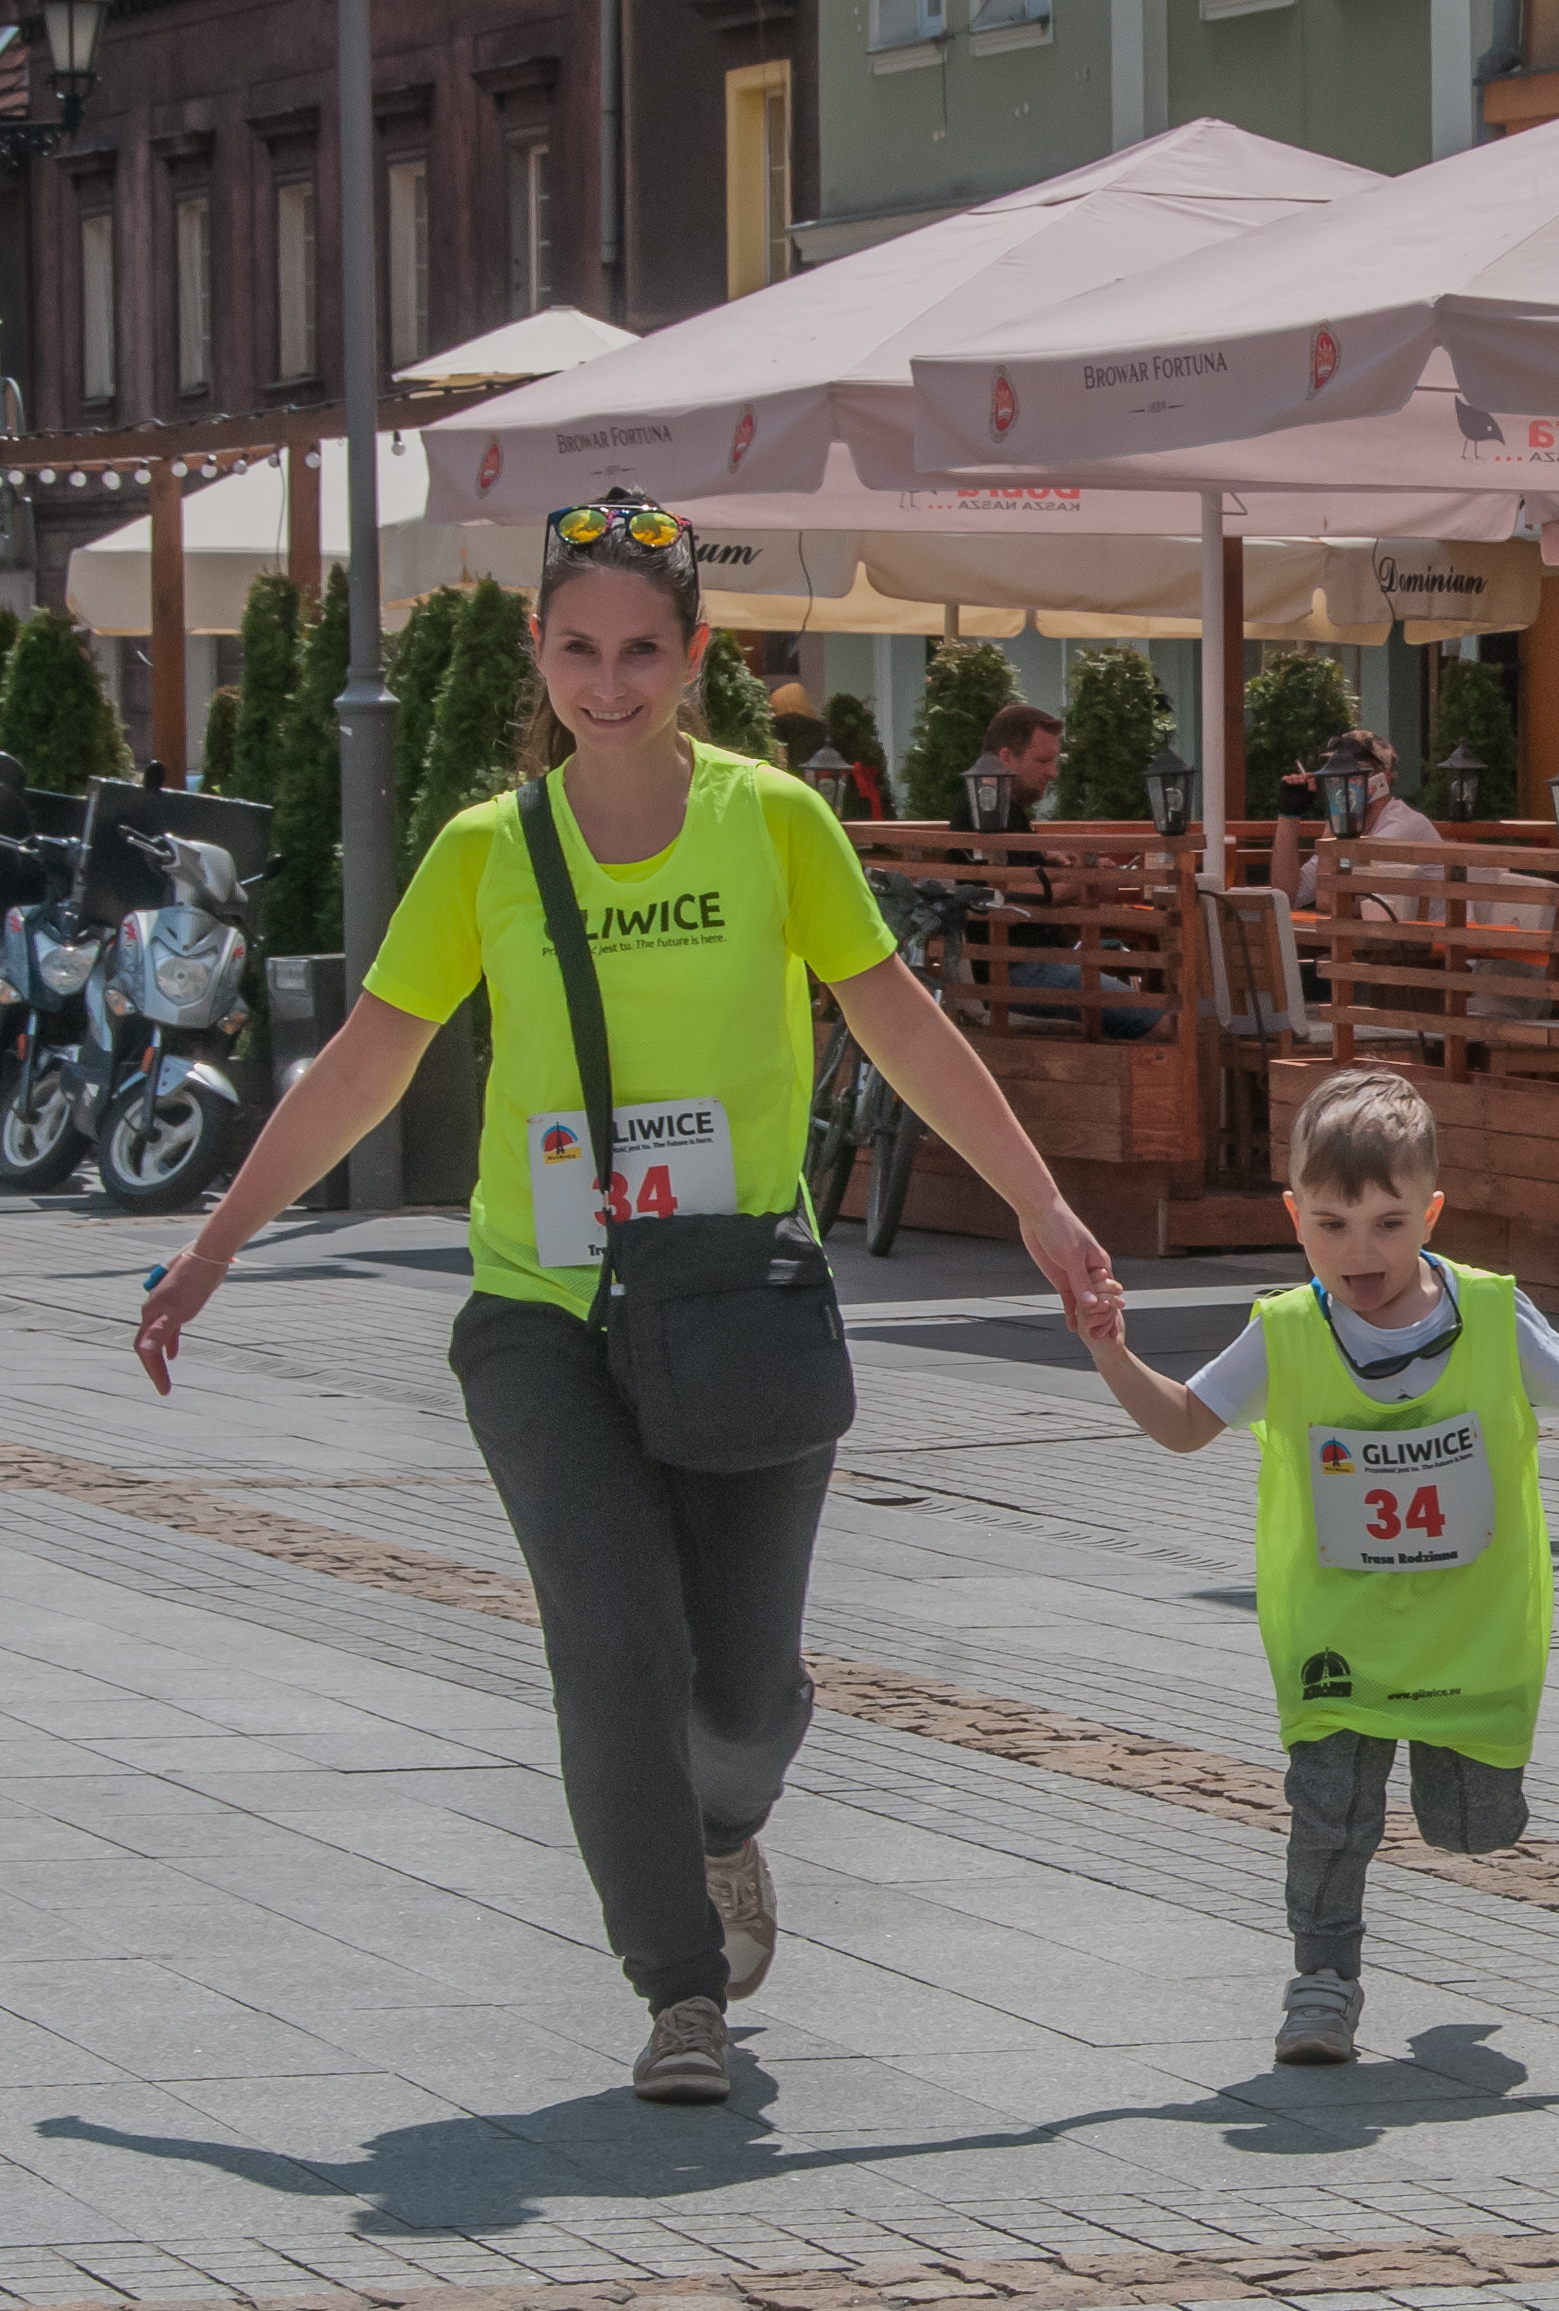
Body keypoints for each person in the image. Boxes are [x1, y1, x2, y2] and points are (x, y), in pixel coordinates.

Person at [130, 497, 1126, 2106]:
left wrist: (1039, 1201)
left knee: (740, 1694)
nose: (608, 680)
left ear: (694, 658)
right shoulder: (485, 854)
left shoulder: (773, 823)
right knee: (614, 1643)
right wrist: (221, 1237)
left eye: (640, 649)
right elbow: (371, 1060)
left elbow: (897, 1021)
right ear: (539, 649)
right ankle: (677, 1990)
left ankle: (725, 1820)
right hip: (543, 1311)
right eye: (578, 646)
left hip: (738, 1295)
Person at [1070, 1067, 1559, 2065]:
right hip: (1337, 1631)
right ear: (1294, 1219)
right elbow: (1184, 1423)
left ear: (1431, 1212)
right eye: (1331, 1223)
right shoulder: (1283, 1333)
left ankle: (1471, 1805)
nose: (1361, 1250)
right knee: (1329, 1811)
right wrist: (1109, 1351)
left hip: (1470, 1633)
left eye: (1389, 1224)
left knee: (1470, 1828)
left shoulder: (1488, 1314)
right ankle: (1321, 1984)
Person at [945, 700, 1161, 1039]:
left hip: (1035, 962)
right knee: (1163, 1021)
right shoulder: (986, 812)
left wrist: (1072, 869)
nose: (1053, 772)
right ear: (1006, 758)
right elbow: (1010, 894)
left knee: (1141, 994)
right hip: (1018, 970)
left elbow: (1024, 879)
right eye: (1043, 761)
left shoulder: (1001, 807)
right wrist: (1081, 882)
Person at [1270, 730, 1442, 918]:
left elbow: (1330, 901)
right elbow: (1285, 895)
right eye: (1334, 774)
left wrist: (1336, 815)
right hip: (1393, 940)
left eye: (1352, 774)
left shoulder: (1401, 827)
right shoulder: (1348, 828)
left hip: (1439, 941)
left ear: (1383, 780)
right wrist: (1288, 816)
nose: (1338, 783)